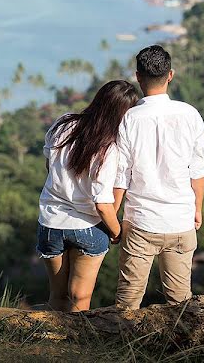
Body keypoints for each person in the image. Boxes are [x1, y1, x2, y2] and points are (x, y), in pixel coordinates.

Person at [113, 44, 204, 309]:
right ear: (170, 75)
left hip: (141, 221)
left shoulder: (130, 119)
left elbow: (122, 175)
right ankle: (186, 350)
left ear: (138, 77)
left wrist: (112, 218)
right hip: (180, 221)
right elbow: (198, 169)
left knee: (127, 304)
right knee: (181, 303)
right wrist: (197, 209)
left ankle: (118, 350)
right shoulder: (190, 114)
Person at [37, 79, 139, 311]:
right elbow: (102, 204)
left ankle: (50, 340)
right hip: (88, 226)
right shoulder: (108, 149)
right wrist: (117, 232)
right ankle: (74, 345)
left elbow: (49, 165)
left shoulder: (63, 124)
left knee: (58, 296)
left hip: (51, 221)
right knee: (79, 299)